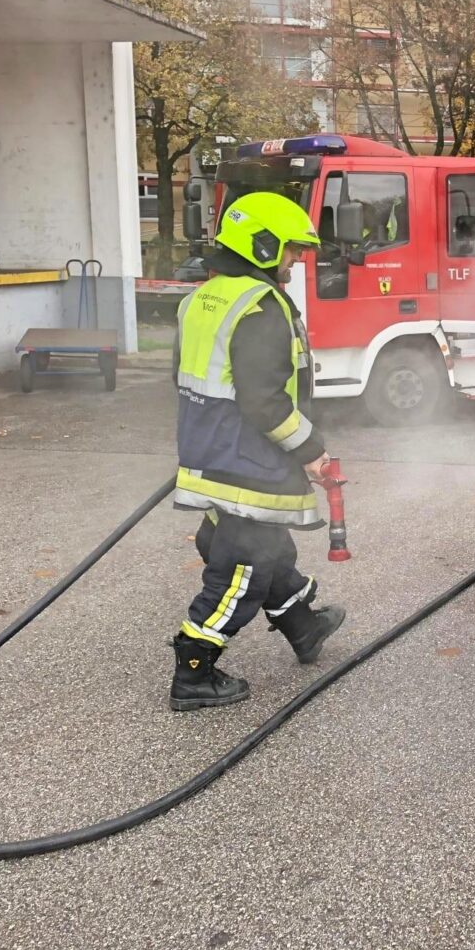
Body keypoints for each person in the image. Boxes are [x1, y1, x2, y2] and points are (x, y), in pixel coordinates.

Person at [170, 191, 346, 711]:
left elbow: (188, 378)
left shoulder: (203, 298)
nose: (295, 260)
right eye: (291, 249)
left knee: (259, 544)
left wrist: (208, 439)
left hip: (214, 450)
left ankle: (302, 624)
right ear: (262, 244)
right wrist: (311, 452)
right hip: (247, 460)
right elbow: (264, 400)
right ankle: (194, 669)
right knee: (244, 565)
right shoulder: (260, 306)